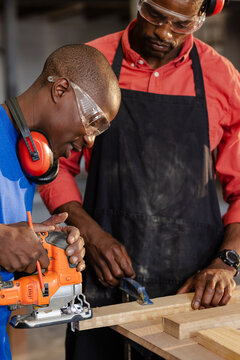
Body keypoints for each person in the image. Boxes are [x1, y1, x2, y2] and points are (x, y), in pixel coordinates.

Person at [39, 0, 240, 359]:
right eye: (155, 15)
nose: (163, 33)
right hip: (102, 282)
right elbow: (51, 165)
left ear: (202, 17)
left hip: (191, 293)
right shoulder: (93, 65)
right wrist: (90, 233)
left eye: (181, 25)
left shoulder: (221, 78)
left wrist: (226, 263)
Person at [0, 43, 121, 360]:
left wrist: (41, 245)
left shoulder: (27, 159)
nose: (91, 140)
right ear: (61, 89)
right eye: (93, 120)